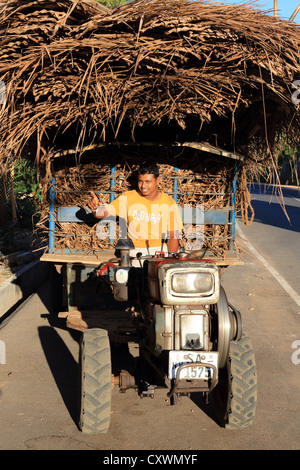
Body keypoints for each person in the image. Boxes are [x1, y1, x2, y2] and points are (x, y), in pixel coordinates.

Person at [87, 163, 183, 258]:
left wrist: (170, 258)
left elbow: (174, 235)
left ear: (158, 180)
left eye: (148, 181)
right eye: (140, 181)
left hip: (159, 251)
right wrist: (96, 209)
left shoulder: (169, 202)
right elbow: (103, 213)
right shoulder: (128, 197)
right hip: (134, 251)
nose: (143, 186)